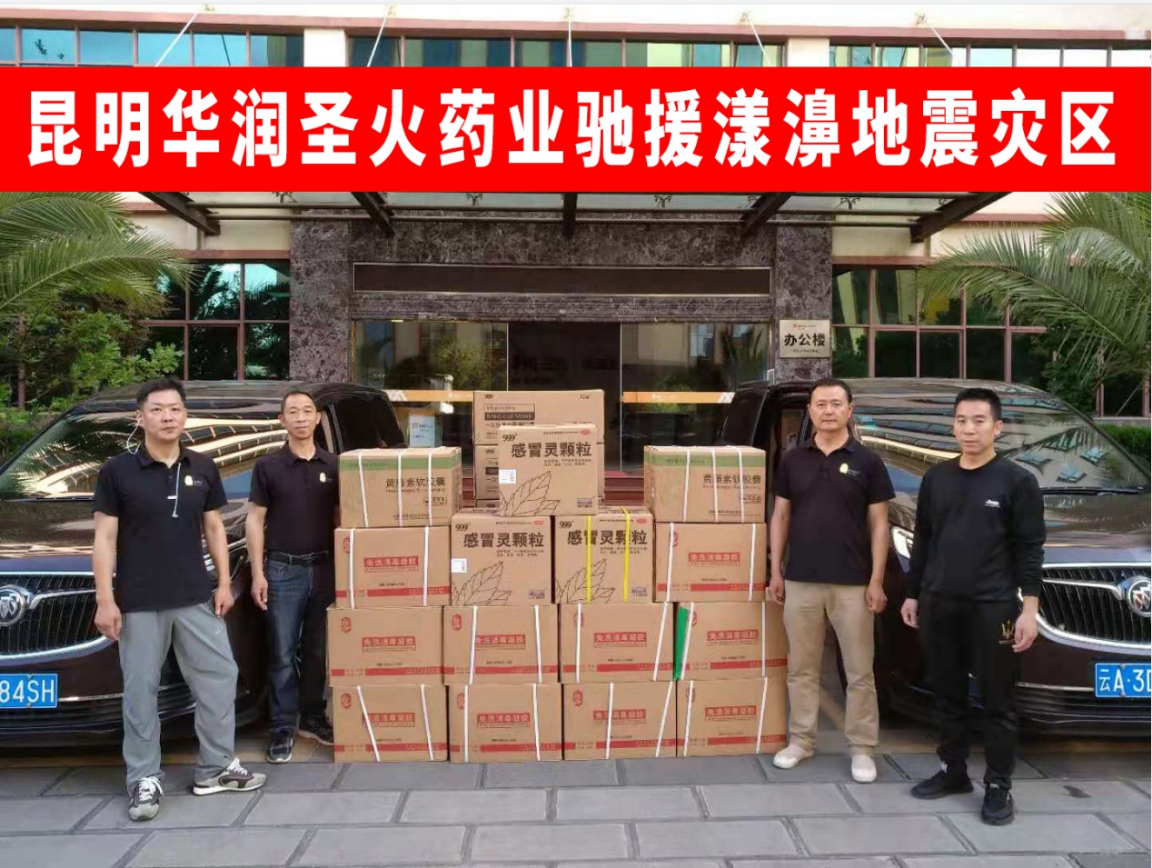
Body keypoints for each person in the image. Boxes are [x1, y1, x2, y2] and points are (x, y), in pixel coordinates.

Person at [93, 378, 266, 823]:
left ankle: (215, 767)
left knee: (220, 676)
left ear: (185, 416)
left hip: (194, 595)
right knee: (141, 690)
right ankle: (144, 778)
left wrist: (223, 583)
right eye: (157, 409)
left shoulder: (203, 466)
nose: (167, 417)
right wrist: (105, 599)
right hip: (139, 600)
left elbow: (213, 528)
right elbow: (105, 538)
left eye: (174, 409)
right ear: (140, 417)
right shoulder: (117, 471)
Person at [900, 387, 1045, 826]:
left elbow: (1030, 549)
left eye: (979, 421)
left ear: (997, 427)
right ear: (953, 426)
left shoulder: (1018, 481)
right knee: (947, 693)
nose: (969, 429)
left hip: (993, 608)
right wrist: (913, 593)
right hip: (939, 603)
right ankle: (954, 771)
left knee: (998, 701)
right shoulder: (936, 478)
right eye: (961, 420)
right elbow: (924, 540)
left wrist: (1029, 610)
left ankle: (998, 785)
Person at [769, 377, 894, 784]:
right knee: (801, 668)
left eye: (836, 403)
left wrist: (876, 579)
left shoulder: (868, 462)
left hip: (853, 582)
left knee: (859, 671)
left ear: (849, 410)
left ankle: (862, 748)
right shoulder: (792, 460)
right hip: (801, 580)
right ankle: (801, 741)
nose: (828, 410)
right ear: (809, 410)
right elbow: (780, 515)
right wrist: (776, 570)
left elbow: (879, 524)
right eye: (820, 403)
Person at [247, 389, 339, 763]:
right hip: (282, 569)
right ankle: (283, 726)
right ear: (282, 420)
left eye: (307, 411)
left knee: (317, 649)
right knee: (282, 651)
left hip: (325, 568)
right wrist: (258, 573)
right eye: (293, 412)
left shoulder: (334, 465)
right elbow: (254, 520)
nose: (301, 418)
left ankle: (313, 717)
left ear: (318, 418)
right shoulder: (268, 467)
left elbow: (343, 518)